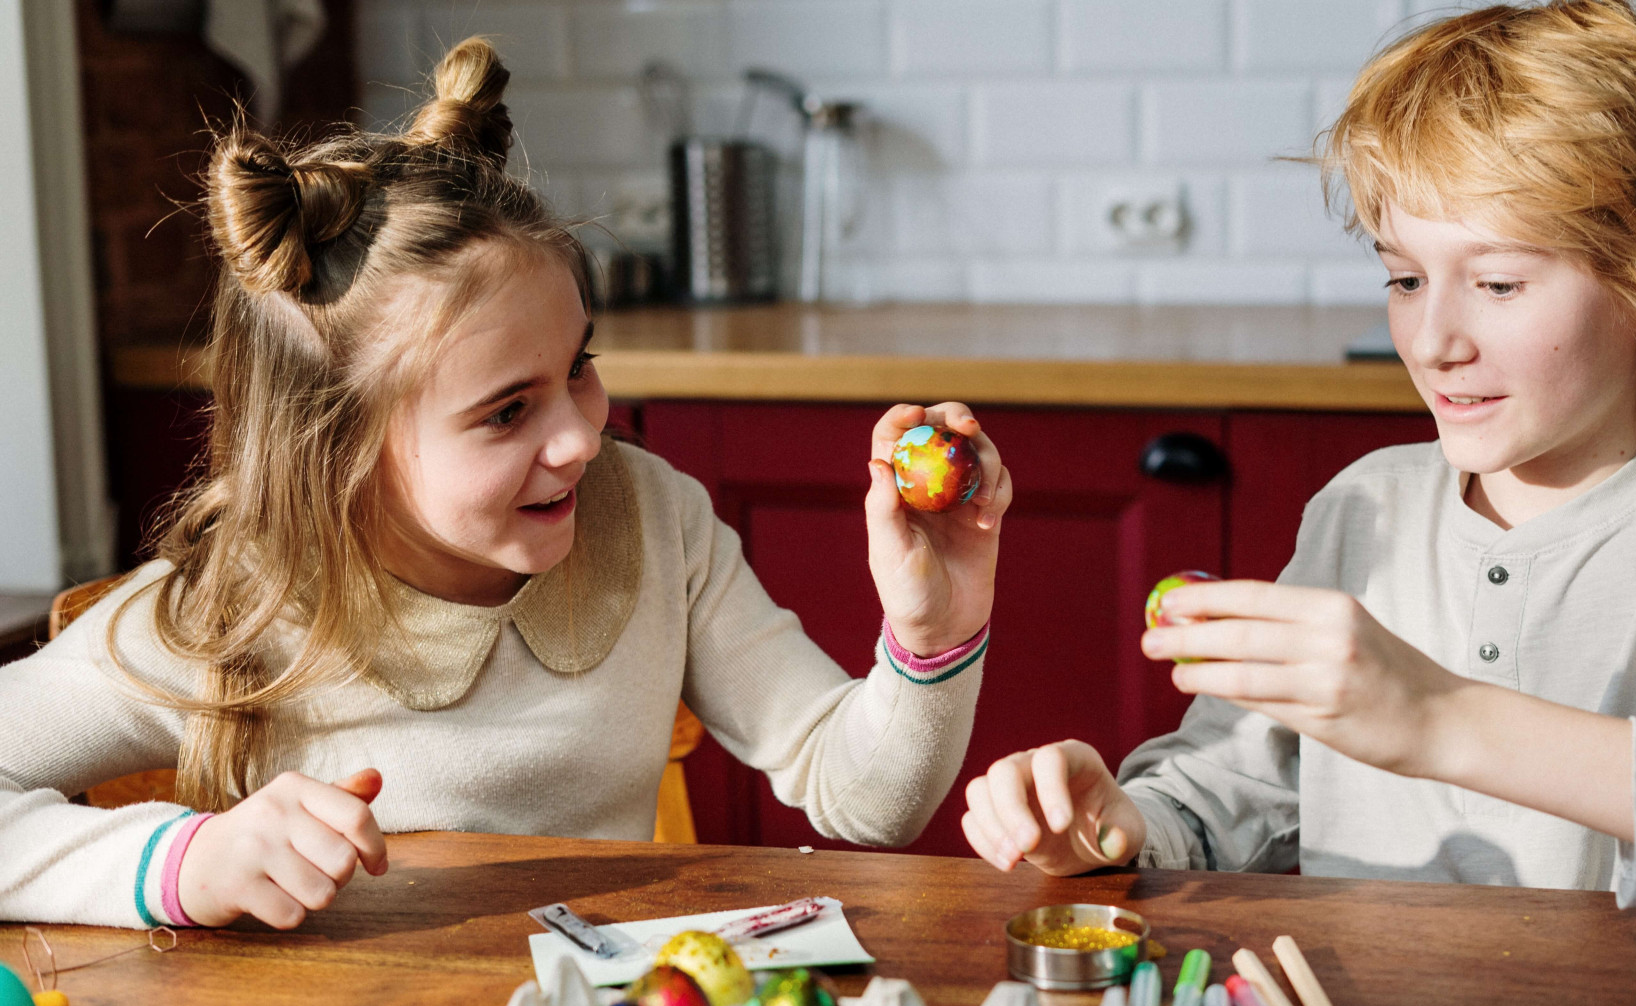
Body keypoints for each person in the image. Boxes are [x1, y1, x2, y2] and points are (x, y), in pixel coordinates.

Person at [958, 0, 1636, 938]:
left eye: (1498, 283)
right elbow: (1229, 790)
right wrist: (1121, 824)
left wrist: (1443, 720)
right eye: (1405, 278)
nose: (1432, 339)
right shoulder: (1364, 510)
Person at [0, 39, 1009, 932]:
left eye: (580, 363)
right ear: (337, 448)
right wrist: (181, 865)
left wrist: (931, 636)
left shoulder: (656, 520)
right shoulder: (232, 608)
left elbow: (865, 800)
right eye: (506, 411)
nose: (581, 435)